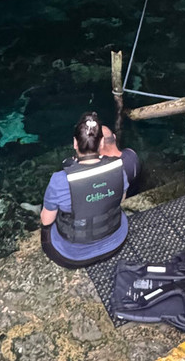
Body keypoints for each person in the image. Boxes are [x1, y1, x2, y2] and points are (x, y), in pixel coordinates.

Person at [40, 111, 129, 268]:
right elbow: (120, 199)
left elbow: (46, 220)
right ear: (101, 143)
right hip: (116, 242)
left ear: (75, 143)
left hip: (73, 256)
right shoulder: (119, 168)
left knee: (46, 220)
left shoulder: (60, 180)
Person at [100, 125, 141, 195]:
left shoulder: (104, 169)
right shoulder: (132, 154)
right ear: (114, 136)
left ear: (101, 144)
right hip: (132, 191)